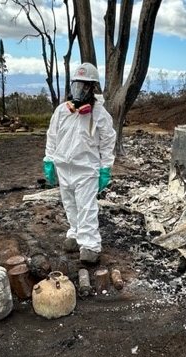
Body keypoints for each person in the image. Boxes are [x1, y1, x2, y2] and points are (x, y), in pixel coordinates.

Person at [43, 63, 117, 264]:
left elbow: (109, 141)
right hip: (63, 167)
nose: (79, 91)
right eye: (77, 85)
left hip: (86, 169)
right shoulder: (61, 111)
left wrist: (105, 168)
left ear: (93, 89)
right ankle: (75, 233)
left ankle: (90, 245)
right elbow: (52, 136)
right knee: (70, 205)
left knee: (86, 207)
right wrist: (49, 160)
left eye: (85, 87)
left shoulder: (99, 114)